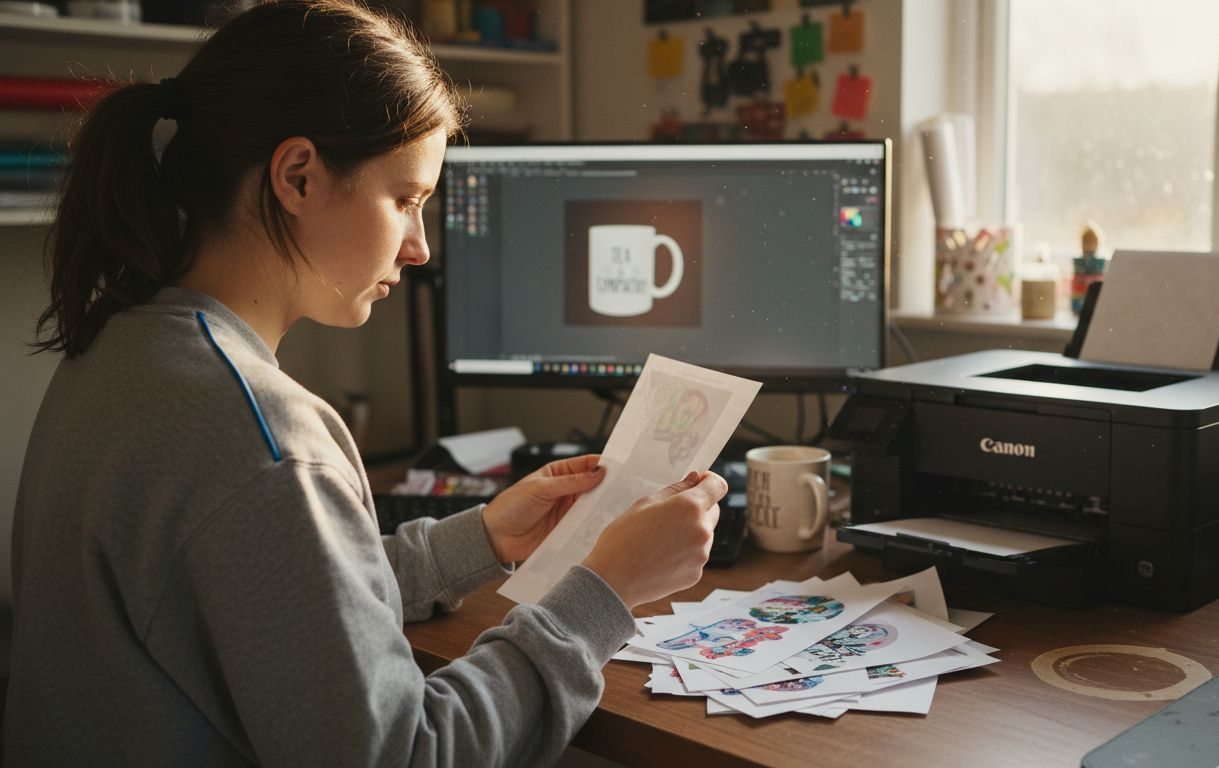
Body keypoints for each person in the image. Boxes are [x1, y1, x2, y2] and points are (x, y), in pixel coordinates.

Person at [4, 1, 727, 765]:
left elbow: (271, 599)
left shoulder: (124, 344)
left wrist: (479, 539)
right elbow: (407, 755)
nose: (418, 247)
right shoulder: (266, 441)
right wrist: (603, 593)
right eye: (406, 201)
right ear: (298, 176)